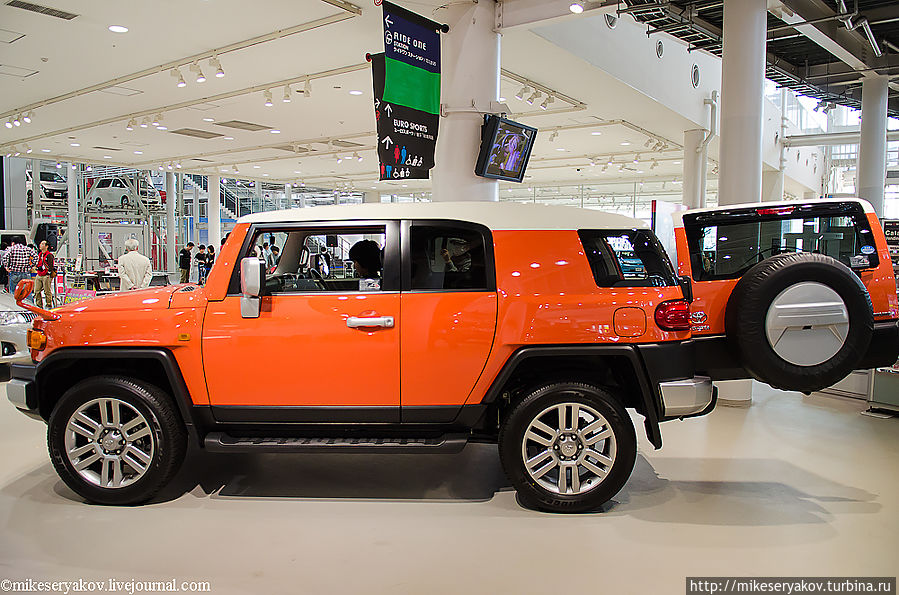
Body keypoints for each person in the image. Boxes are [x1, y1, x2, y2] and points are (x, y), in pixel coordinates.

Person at [33, 240, 56, 308]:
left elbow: (51, 265)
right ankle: (39, 305)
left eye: (43, 244)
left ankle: (48, 304)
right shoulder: (40, 254)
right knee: (36, 290)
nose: (40, 245)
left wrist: (48, 272)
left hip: (46, 275)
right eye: (40, 243)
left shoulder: (49, 255)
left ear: (47, 246)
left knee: (47, 291)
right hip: (39, 274)